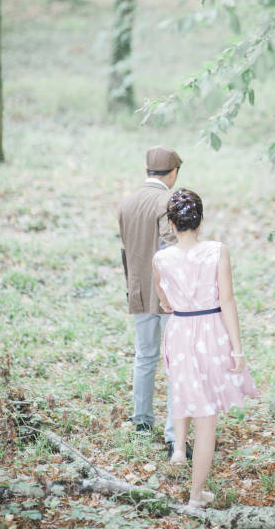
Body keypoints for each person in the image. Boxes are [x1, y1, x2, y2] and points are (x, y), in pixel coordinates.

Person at [152, 188, 258, 510]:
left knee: (184, 391)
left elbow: (163, 299)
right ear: (200, 221)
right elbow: (227, 301)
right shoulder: (217, 251)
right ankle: (195, 495)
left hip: (180, 331)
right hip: (211, 332)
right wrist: (237, 349)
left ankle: (179, 450)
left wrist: (172, 303)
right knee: (207, 416)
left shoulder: (161, 258)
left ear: (172, 224)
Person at [118, 144, 191, 459]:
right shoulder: (168, 201)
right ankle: (174, 436)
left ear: (147, 170)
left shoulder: (127, 202)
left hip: (138, 290)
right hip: (169, 295)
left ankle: (141, 422)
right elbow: (171, 245)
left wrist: (132, 285)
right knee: (176, 362)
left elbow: (125, 250)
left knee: (144, 356)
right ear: (172, 172)